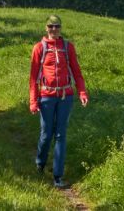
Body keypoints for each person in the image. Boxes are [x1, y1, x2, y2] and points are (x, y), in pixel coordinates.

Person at [29, 14, 88, 189]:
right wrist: (33, 101)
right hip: (46, 96)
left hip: (65, 96)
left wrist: (82, 92)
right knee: (46, 133)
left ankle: (57, 176)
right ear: (45, 28)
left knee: (61, 135)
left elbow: (77, 72)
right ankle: (40, 163)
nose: (54, 29)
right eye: (50, 26)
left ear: (61, 28)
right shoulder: (39, 48)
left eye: (57, 26)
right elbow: (33, 78)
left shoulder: (68, 47)